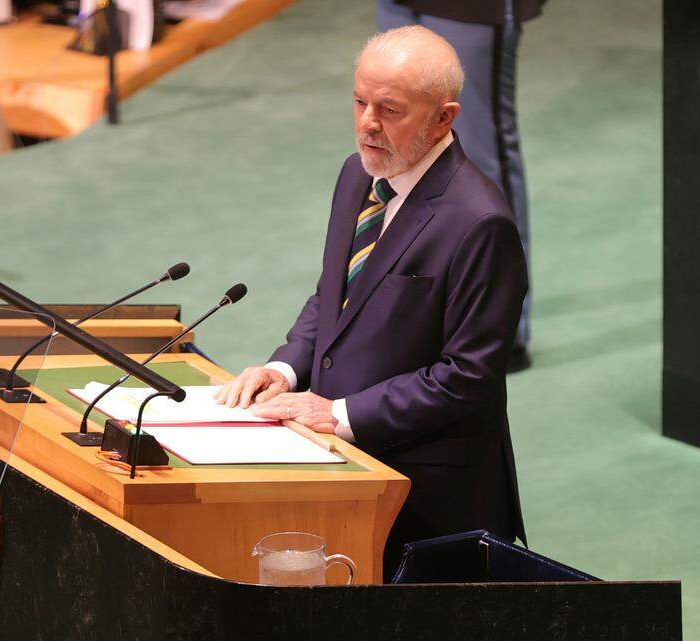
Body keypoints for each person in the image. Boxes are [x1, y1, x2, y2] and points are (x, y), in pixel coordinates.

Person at [215, 26, 528, 577]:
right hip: (347, 468)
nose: (367, 124)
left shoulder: (480, 222)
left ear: (443, 118)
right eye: (360, 102)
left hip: (428, 496)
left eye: (390, 110)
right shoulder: (357, 174)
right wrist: (286, 368)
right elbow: (334, 295)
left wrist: (338, 412)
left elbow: (466, 377)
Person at [376, 0, 547, 371]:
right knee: (399, 147)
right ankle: (418, 315)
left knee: (484, 159)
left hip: (473, 8)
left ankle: (503, 327)